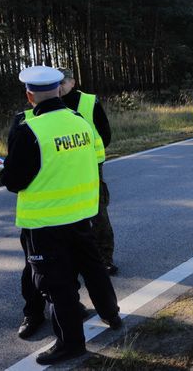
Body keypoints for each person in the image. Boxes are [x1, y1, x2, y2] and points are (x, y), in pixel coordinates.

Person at [0, 65, 121, 365]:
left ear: (30, 96)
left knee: (57, 284)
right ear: (58, 89)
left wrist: (5, 171)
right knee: (93, 268)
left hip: (45, 221)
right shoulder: (79, 119)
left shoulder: (29, 129)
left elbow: (16, 180)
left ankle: (70, 344)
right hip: (80, 213)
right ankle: (111, 314)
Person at [58, 67, 118, 276]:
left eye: (63, 82)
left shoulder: (89, 101)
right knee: (69, 214)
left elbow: (105, 134)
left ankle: (105, 259)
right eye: (56, 82)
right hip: (63, 169)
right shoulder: (50, 105)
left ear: (73, 82)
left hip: (91, 165)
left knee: (98, 212)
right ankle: (75, 259)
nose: (59, 86)